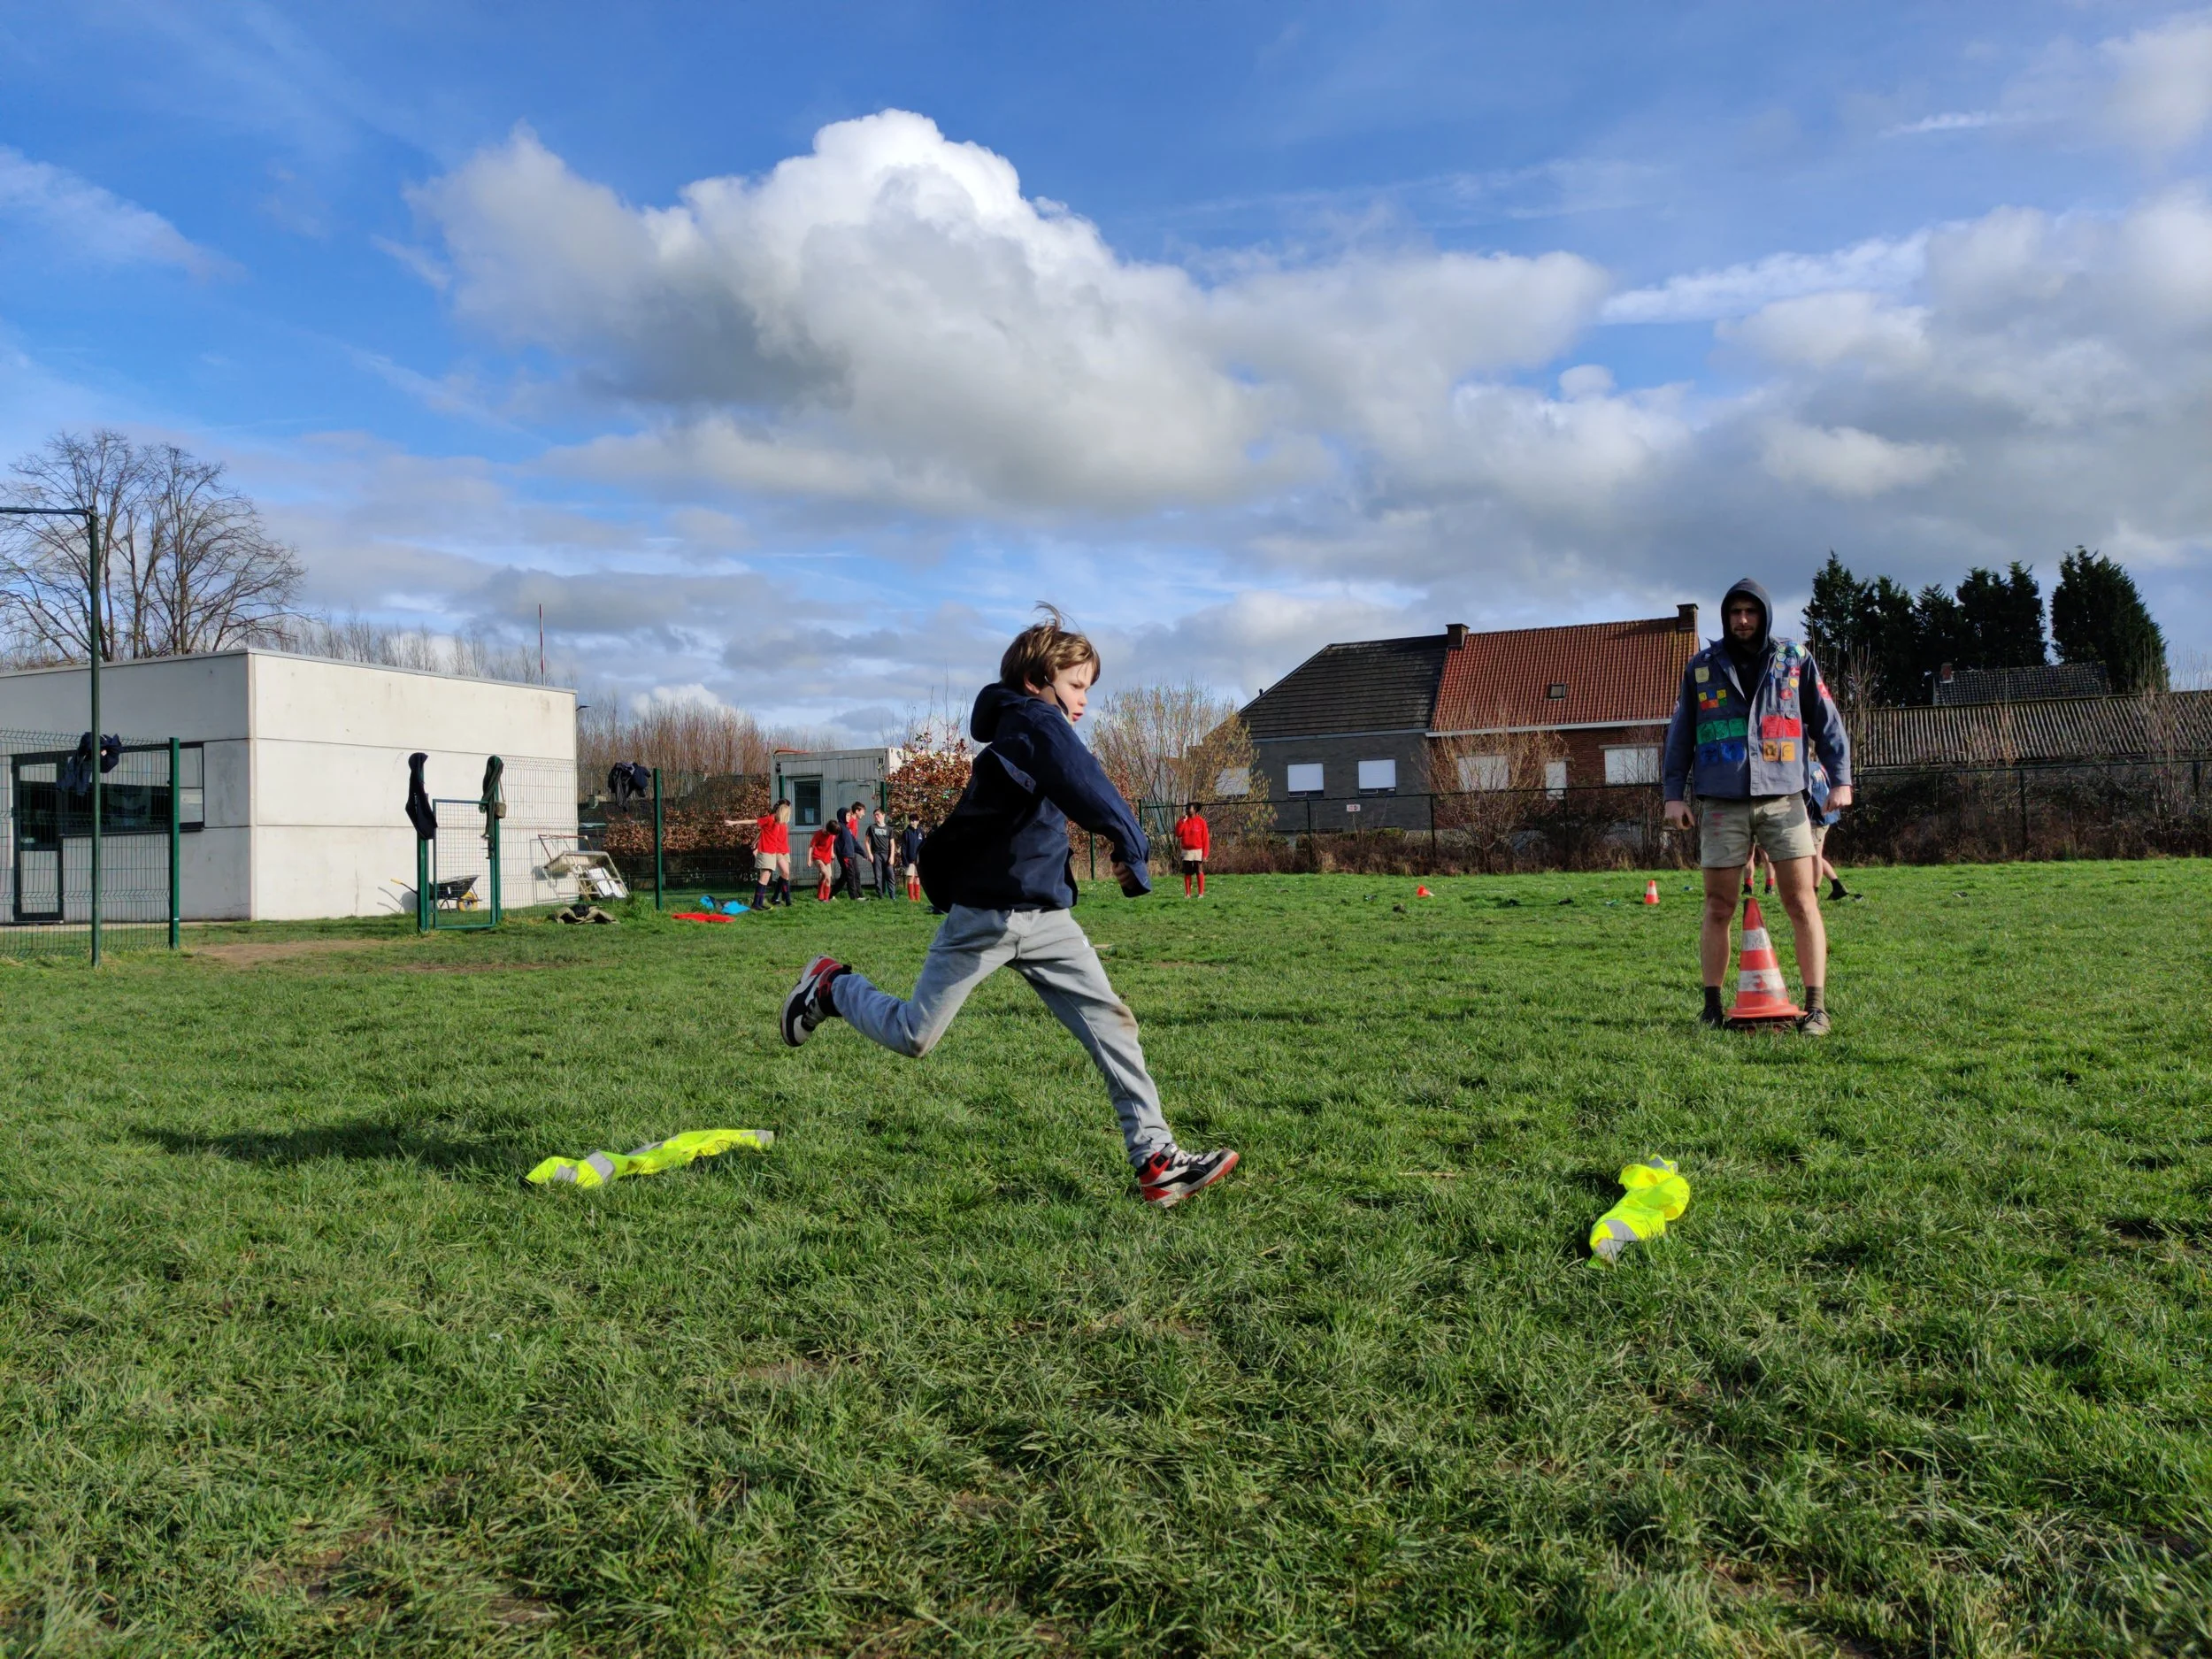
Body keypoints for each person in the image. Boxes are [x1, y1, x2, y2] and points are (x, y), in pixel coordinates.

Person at [780, 605, 1239, 1208]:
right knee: (916, 1034)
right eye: (1077, 684)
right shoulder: (1031, 723)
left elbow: (1074, 783)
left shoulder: (1035, 734)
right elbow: (1086, 777)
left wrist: (1117, 837)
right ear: (1037, 680)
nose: (1083, 701)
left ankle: (1156, 1159)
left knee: (1112, 1024)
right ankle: (832, 987)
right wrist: (1131, 840)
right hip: (984, 919)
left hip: (1047, 919)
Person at [1663, 577, 1853, 1036]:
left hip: (1785, 800)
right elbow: (1680, 733)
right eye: (1734, 613)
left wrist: (1840, 778)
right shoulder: (1701, 667)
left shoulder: (1794, 660)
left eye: (1751, 612)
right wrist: (1673, 794)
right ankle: (1711, 1007)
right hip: (1721, 804)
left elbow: (1826, 720)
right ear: (1725, 618)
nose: (1742, 620)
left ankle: (1817, 1009)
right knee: (1718, 905)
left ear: (1764, 615)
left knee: (1802, 901)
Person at [751, 799, 794, 910]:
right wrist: (755, 843)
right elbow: (764, 831)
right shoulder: (774, 819)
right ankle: (787, 900)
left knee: (785, 874)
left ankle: (775, 897)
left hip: (785, 849)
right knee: (785, 872)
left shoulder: (784, 821)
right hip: (777, 850)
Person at [1173, 802, 1210, 896]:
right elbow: (1178, 834)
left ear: (1195, 810)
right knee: (1187, 871)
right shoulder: (1183, 821)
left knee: (1199, 870)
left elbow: (1205, 839)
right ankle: (1188, 894)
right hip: (1186, 850)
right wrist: (1182, 822)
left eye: (1189, 808)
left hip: (1198, 850)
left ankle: (1201, 894)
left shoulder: (1201, 822)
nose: (1187, 809)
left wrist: (1205, 854)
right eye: (1187, 807)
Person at [833, 803, 868, 900]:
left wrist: (863, 853)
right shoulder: (842, 825)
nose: (849, 817)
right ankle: (855, 896)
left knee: (847, 875)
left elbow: (853, 841)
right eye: (847, 815)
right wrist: (834, 851)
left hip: (850, 852)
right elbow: (834, 838)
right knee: (850, 874)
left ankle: (831, 894)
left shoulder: (849, 826)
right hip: (845, 854)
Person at [867, 808, 896, 897]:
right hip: (876, 854)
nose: (876, 817)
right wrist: (870, 854)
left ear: (883, 815)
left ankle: (893, 896)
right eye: (875, 815)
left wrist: (891, 857)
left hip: (887, 854)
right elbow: (866, 841)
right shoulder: (872, 828)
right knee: (878, 876)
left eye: (878, 815)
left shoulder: (889, 829)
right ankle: (880, 896)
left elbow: (892, 844)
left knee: (890, 875)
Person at [807, 823, 837, 902]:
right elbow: (811, 846)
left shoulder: (833, 834)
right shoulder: (818, 834)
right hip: (817, 857)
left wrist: (832, 853)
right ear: (828, 830)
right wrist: (809, 859)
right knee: (827, 875)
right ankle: (825, 900)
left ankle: (822, 897)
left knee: (826, 878)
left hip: (827, 859)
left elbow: (832, 843)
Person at [899, 813, 926, 902]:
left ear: (918, 821)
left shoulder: (921, 832)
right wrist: (905, 860)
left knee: (918, 878)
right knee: (911, 877)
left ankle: (917, 898)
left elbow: (923, 846)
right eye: (910, 820)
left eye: (913, 820)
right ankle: (911, 899)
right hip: (910, 860)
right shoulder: (906, 832)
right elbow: (904, 847)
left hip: (919, 860)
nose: (911, 822)